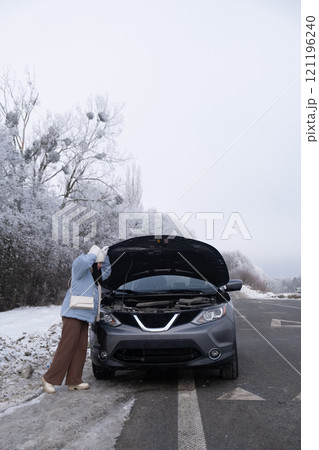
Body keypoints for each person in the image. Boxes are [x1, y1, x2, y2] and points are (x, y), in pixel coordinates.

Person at [41, 245, 111, 394]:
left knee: (79, 349)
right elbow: (84, 262)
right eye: (98, 262)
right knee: (67, 347)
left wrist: (106, 256)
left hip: (85, 315)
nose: (99, 265)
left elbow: (108, 272)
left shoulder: (95, 275)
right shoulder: (80, 268)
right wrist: (94, 253)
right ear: (92, 259)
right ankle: (49, 378)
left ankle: (74, 381)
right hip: (72, 314)